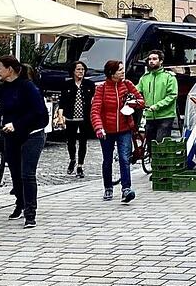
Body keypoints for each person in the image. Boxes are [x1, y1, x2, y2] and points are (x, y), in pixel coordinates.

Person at [0, 56, 48, 228]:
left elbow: (39, 112)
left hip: (33, 133)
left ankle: (30, 214)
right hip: (12, 135)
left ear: (9, 69)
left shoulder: (28, 87)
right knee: (16, 173)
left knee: (27, 173)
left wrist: (17, 124)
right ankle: (20, 203)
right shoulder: (3, 89)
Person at [91, 60, 145, 203]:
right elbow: (95, 110)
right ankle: (108, 187)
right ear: (111, 73)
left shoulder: (127, 85)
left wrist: (132, 103)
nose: (122, 71)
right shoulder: (101, 89)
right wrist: (98, 127)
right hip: (106, 131)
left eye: (122, 69)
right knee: (107, 160)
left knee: (124, 157)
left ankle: (126, 188)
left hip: (124, 128)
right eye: (119, 70)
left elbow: (141, 100)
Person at [57, 61, 95, 179]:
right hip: (71, 117)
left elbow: (93, 101)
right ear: (73, 71)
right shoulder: (67, 84)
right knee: (71, 141)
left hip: (84, 117)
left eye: (82, 70)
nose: (81, 72)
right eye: (78, 69)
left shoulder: (89, 84)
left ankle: (80, 165)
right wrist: (60, 117)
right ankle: (72, 159)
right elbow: (62, 102)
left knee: (83, 142)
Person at [137, 50, 178, 143]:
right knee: (150, 145)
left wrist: (157, 106)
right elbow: (136, 91)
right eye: (150, 59)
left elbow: (172, 95)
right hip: (149, 116)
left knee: (160, 145)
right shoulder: (145, 78)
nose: (151, 61)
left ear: (161, 61)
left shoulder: (169, 77)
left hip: (165, 116)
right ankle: (151, 157)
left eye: (155, 59)